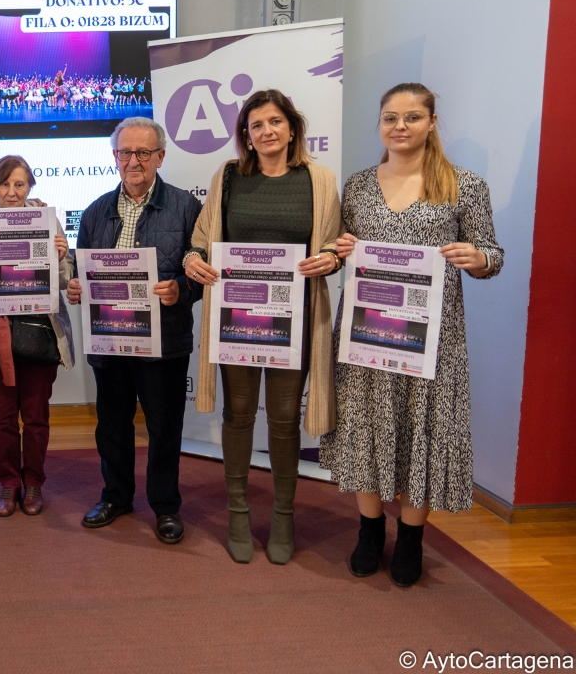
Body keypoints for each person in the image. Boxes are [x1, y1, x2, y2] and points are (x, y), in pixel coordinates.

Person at [319, 83, 503, 587]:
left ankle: (413, 541)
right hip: (366, 334)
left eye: (413, 117)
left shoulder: (464, 185)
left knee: (422, 429)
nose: (400, 126)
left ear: (432, 122)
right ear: (379, 123)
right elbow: (337, 250)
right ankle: (369, 532)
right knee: (367, 426)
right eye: (390, 117)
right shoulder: (356, 185)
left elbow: (492, 254)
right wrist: (338, 249)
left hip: (432, 340)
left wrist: (480, 259)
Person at [184, 89, 343, 565]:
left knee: (282, 419)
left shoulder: (318, 180)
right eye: (256, 125)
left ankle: (283, 516)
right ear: (246, 137)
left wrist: (330, 259)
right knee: (237, 415)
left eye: (275, 122)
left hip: (293, 321)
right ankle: (237, 512)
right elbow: (202, 241)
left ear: (292, 128)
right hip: (237, 318)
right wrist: (194, 259)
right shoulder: (229, 177)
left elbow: (334, 245)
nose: (267, 131)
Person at [65, 116, 203, 544]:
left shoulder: (186, 208)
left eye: (143, 152)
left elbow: (201, 274)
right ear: (114, 157)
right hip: (110, 339)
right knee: (112, 424)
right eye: (126, 152)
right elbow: (83, 270)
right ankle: (116, 496)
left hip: (163, 341)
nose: (134, 161)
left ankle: (165, 506)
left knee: (164, 426)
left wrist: (179, 289)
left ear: (160, 157)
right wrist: (75, 285)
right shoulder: (94, 212)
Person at [0, 155, 75, 517]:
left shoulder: (48, 220)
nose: (12, 193)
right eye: (4, 184)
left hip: (39, 333)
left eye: (19, 184)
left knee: (36, 417)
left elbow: (63, 282)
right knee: (2, 418)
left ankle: (34, 485)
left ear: (30, 186)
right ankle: (9, 484)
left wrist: (62, 255)